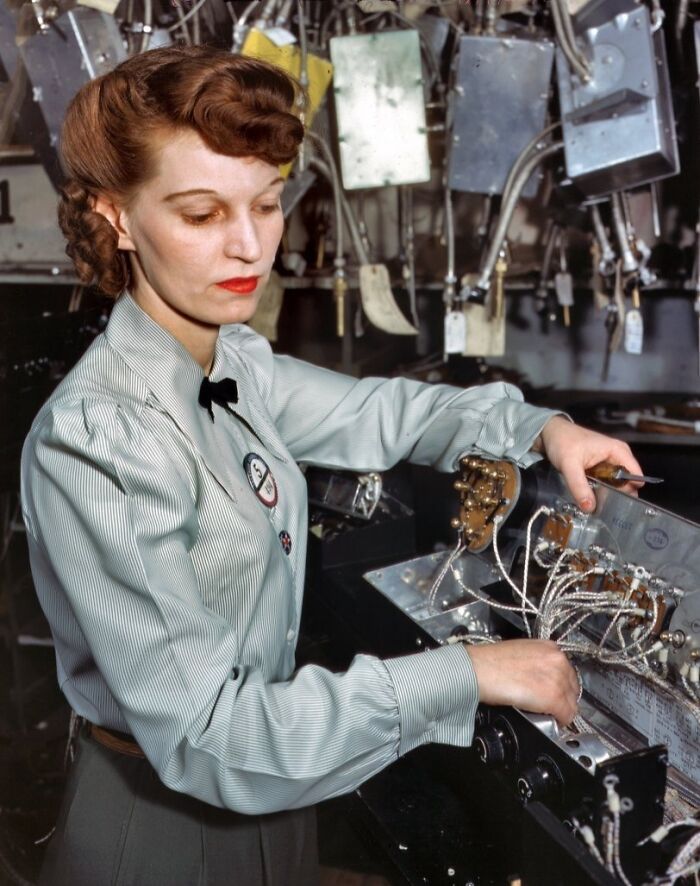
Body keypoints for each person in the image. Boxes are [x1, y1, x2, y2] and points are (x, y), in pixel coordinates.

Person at [20, 45, 644, 886]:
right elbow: (216, 738)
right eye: (201, 215)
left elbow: (385, 413)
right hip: (159, 828)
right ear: (116, 218)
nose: (248, 246)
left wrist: (541, 431)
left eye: (267, 204)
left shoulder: (230, 360)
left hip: (281, 810)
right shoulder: (98, 439)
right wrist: (463, 675)